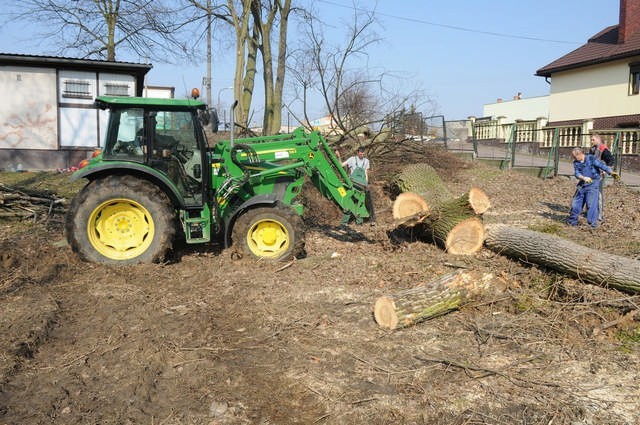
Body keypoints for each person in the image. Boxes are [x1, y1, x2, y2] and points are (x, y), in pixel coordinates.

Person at [567, 147, 617, 229]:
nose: (574, 158)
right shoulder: (576, 162)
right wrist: (583, 178)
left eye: (575, 156)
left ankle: (592, 225)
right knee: (576, 203)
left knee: (591, 204)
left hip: (593, 184)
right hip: (582, 184)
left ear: (580, 154)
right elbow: (576, 173)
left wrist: (610, 172)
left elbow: (601, 165)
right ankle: (572, 222)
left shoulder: (591, 158)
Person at [337, 147, 376, 226]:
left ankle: (369, 220)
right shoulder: (352, 159)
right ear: (357, 153)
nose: (362, 155)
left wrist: (366, 184)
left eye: (363, 154)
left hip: (362, 184)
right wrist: (338, 157)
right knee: (350, 201)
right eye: (360, 154)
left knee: (366, 201)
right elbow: (341, 165)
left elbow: (365, 173)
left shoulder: (366, 161)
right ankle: (346, 222)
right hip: (352, 183)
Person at [588, 133, 615, 222]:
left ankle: (600, 214)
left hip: (599, 175)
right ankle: (590, 211)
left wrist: (605, 170)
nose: (591, 141)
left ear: (598, 140)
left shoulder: (604, 149)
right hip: (591, 174)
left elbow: (611, 161)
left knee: (598, 193)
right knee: (590, 192)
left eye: (593, 140)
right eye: (591, 140)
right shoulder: (592, 149)